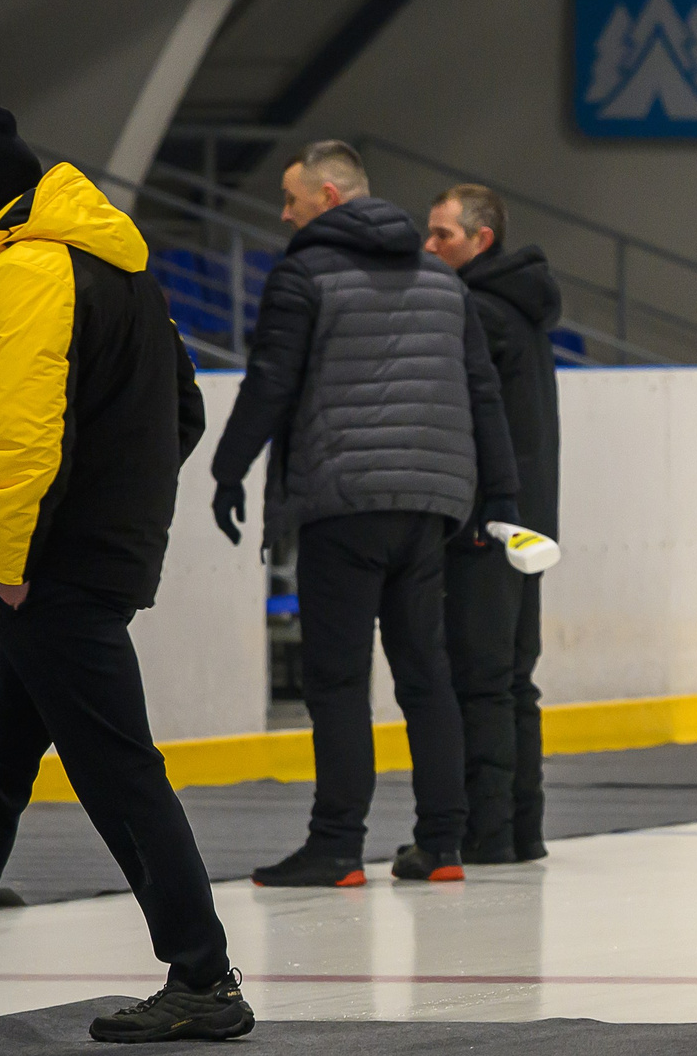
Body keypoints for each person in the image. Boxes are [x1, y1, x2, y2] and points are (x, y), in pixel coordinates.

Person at [0, 109, 253, 1043]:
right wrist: (125, 505)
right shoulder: (120, 263)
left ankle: (203, 976)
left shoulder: (33, 269)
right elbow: (185, 408)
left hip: (51, 567)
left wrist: (10, 561)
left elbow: (22, 432)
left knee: (117, 768)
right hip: (96, 552)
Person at [211, 141, 519, 888]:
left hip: (342, 501)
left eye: (292, 198)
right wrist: (501, 496)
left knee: (339, 679)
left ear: (329, 196)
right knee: (424, 672)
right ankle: (442, 842)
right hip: (429, 505)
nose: (283, 213)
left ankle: (337, 844)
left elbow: (270, 381)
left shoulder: (304, 274)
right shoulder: (443, 282)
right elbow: (483, 391)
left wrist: (228, 467)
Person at [424, 182, 562, 865]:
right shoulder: (525, 308)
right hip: (529, 518)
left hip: (487, 518)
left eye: (442, 235)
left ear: (481, 240)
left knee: (480, 677)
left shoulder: (477, 311)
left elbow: (473, 423)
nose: (429, 247)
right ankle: (519, 828)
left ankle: (487, 832)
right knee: (512, 676)